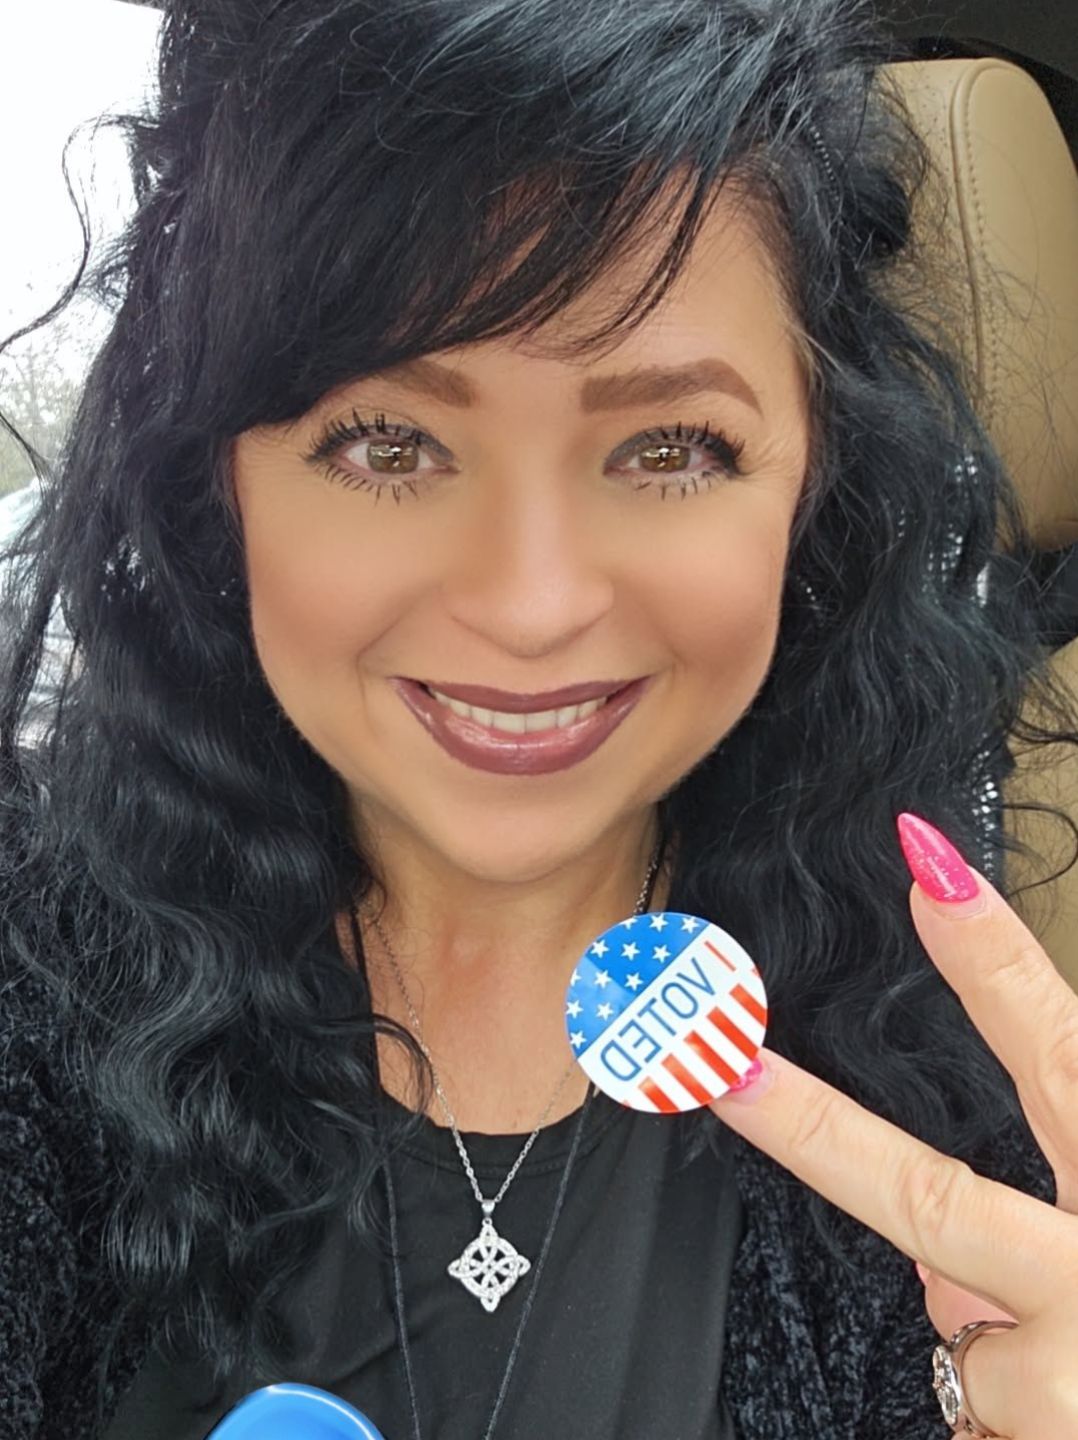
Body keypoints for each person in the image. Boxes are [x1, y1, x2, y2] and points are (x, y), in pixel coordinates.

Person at [0, 0, 1075, 1436]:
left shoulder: (964, 1094)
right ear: (220, 484)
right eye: (387, 442)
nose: (529, 606)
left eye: (670, 446)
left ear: (815, 487)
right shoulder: (35, 976)